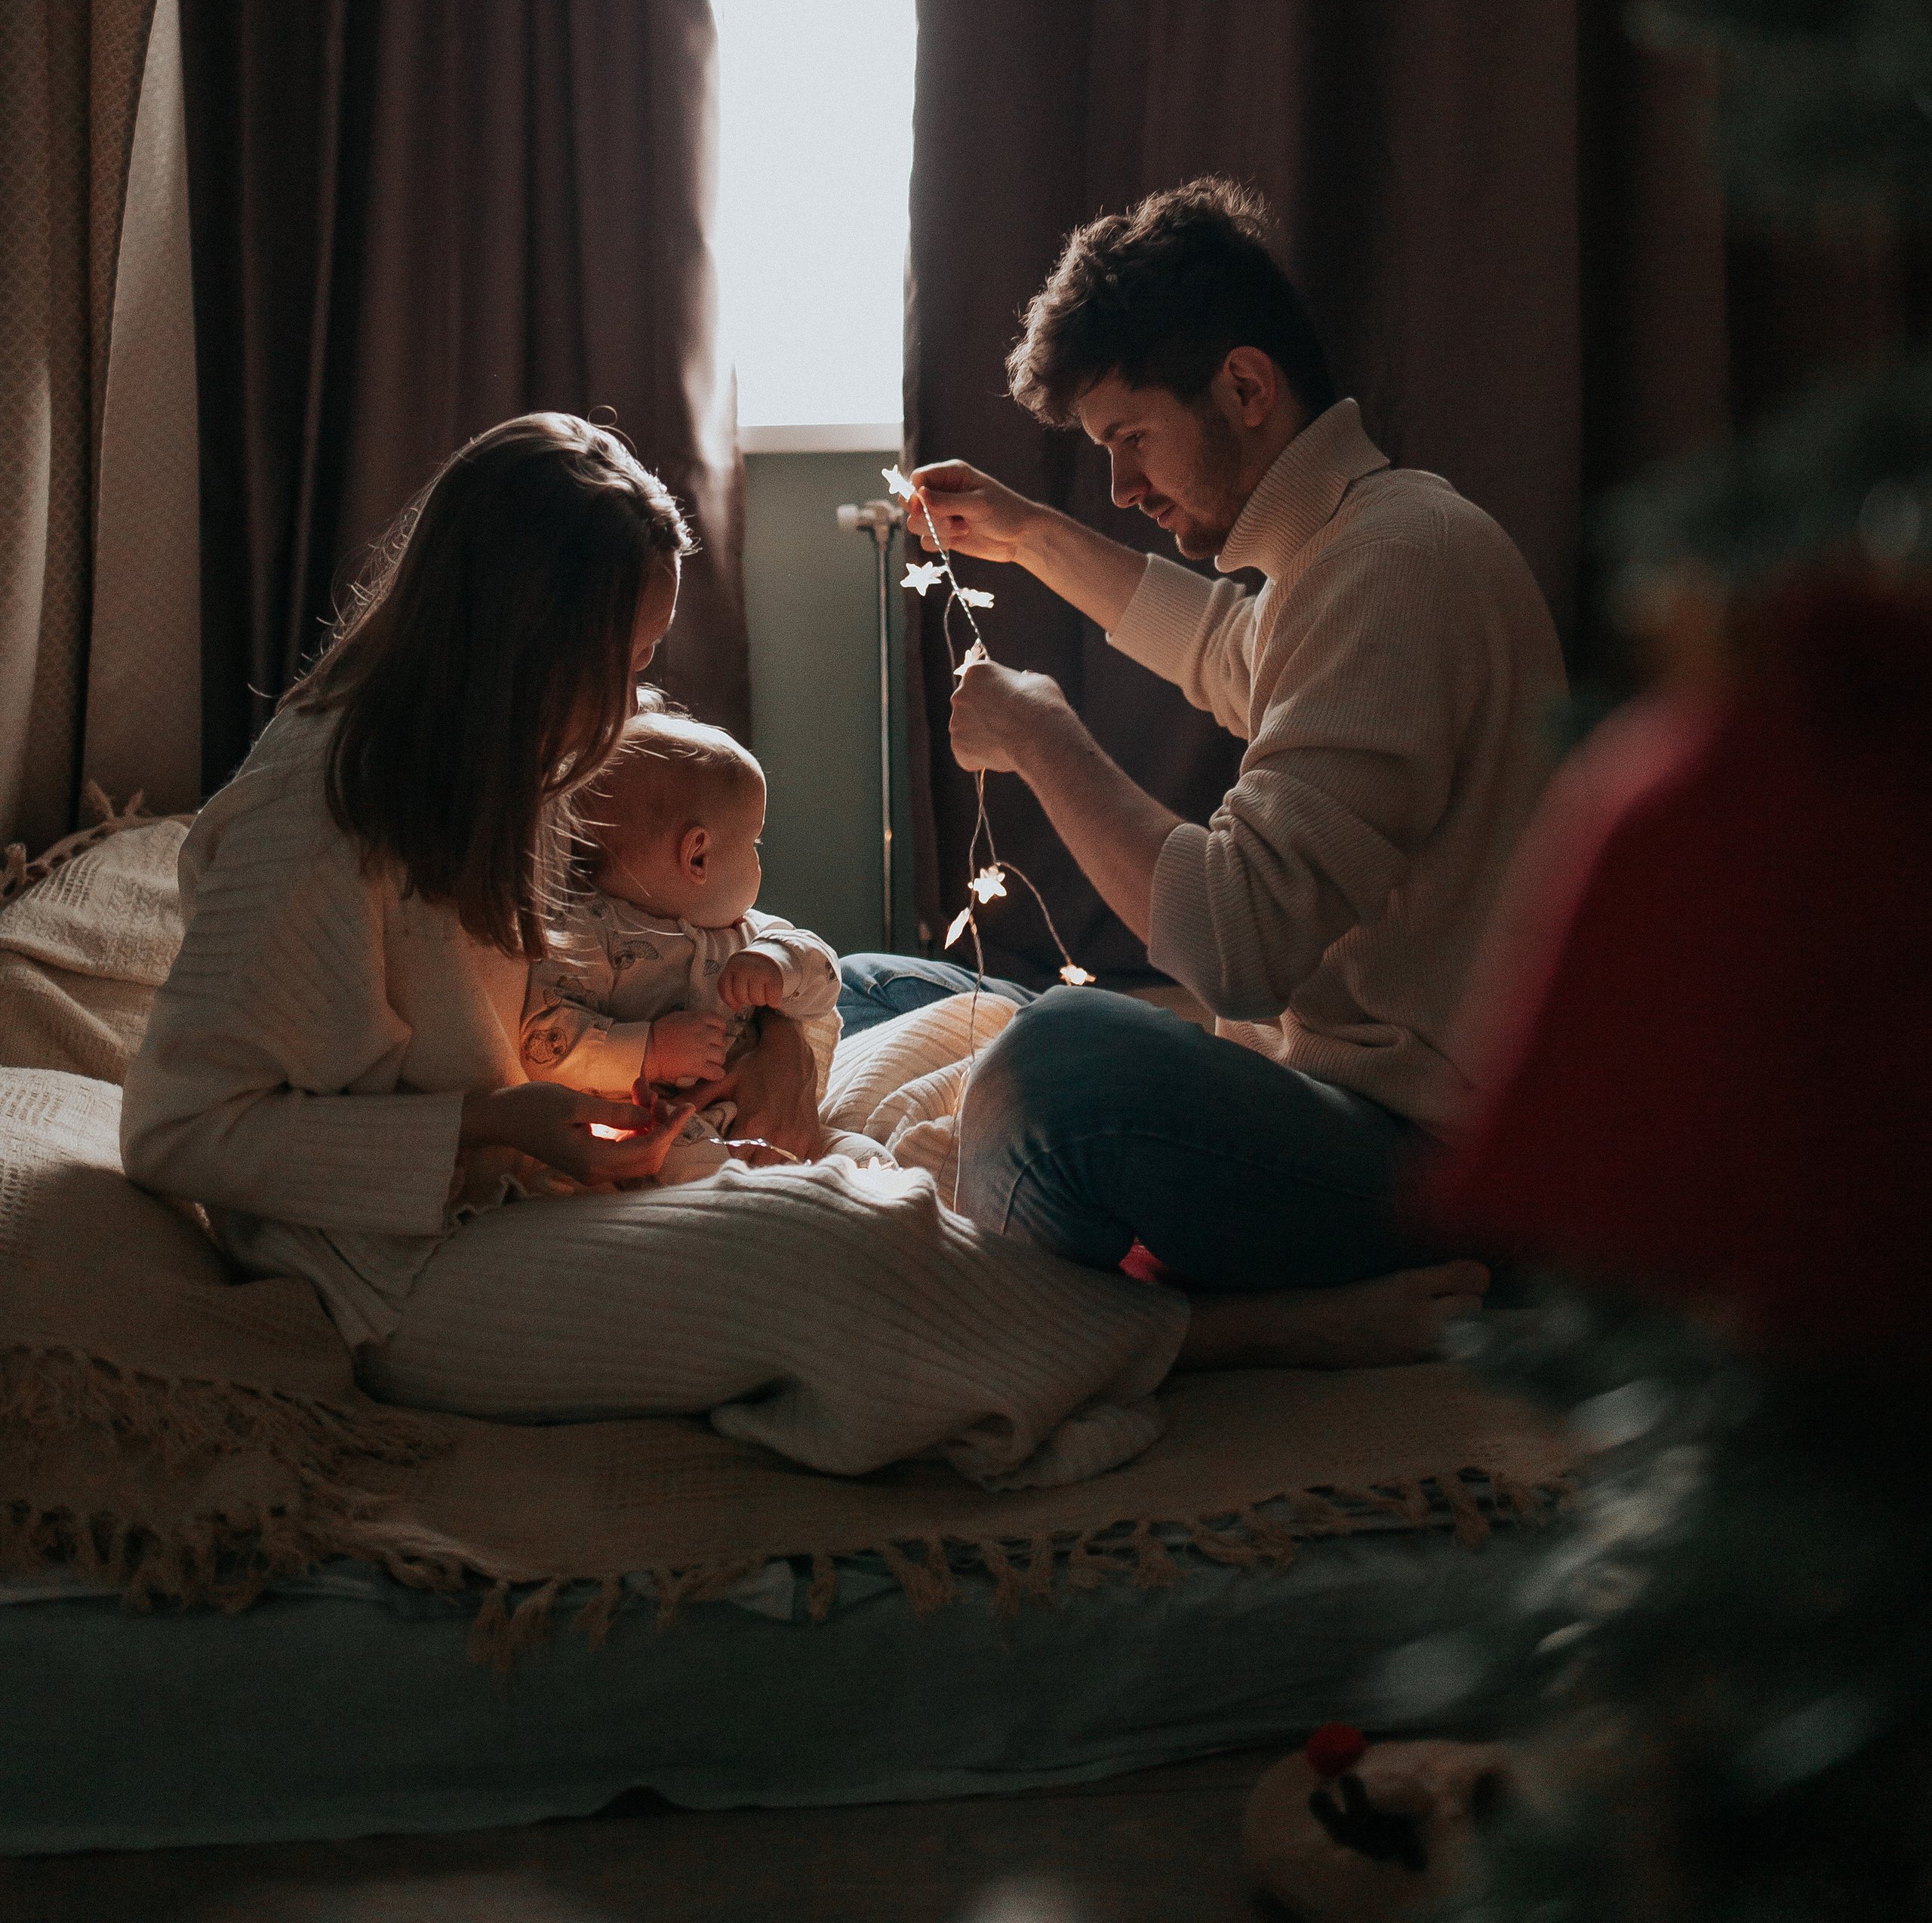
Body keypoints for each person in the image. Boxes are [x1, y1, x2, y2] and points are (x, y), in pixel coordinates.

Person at [121, 412, 1479, 1493]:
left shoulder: (505, 751)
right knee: (827, 1239)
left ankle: (1027, 1259)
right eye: (620, 666)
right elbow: (178, 1130)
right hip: (398, 1264)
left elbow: (628, 960)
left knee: (948, 1018)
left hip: (527, 1158)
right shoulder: (317, 816)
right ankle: (1237, 1337)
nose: (628, 709)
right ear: (521, 639)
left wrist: (758, 1036)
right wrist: (496, 1125)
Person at [849, 179, 1567, 1304]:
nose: (1122, 487)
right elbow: (1221, 646)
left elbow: (1236, 946)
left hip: (1426, 1154)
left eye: (1131, 439)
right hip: (1311, 1090)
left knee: (1052, 1071)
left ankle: (1230, 1330)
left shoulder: (1393, 567)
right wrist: (1029, 536)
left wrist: (1042, 738)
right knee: (872, 988)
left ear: (1243, 387)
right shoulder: (1348, 546)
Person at [523, 710, 844, 1168]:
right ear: (698, 857)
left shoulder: (751, 935)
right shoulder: (586, 939)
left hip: (771, 1121)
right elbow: (543, 1043)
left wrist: (783, 962)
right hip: (667, 1132)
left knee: (866, 1159)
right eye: (754, 845)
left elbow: (826, 978)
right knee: (688, 1161)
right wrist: (649, 1050)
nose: (758, 863)